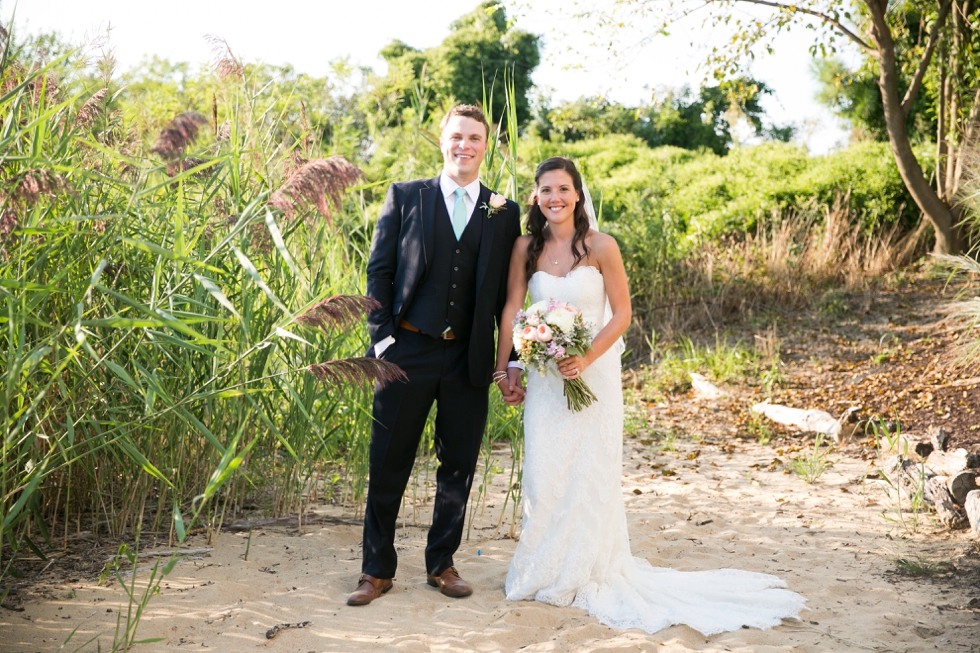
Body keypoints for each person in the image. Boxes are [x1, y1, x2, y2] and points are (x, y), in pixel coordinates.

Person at [495, 156, 807, 635]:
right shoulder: (524, 247)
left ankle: (585, 568)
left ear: (578, 194)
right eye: (545, 190)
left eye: (563, 189)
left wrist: (586, 358)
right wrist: (508, 366)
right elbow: (514, 308)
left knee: (588, 471)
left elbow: (621, 314)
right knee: (544, 471)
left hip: (591, 375)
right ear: (535, 197)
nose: (554, 198)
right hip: (546, 377)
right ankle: (543, 567)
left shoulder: (602, 246)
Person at [349, 104, 525, 607]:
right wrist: (382, 340)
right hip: (406, 351)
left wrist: (506, 358)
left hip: (468, 358)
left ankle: (441, 564)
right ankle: (376, 569)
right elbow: (378, 271)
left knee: (459, 465)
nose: (464, 145)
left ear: (485, 146)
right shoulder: (406, 196)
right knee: (388, 462)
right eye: (456, 136)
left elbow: (504, 295)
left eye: (474, 137)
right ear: (442, 140)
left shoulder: (503, 210)